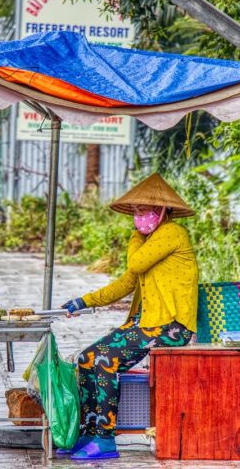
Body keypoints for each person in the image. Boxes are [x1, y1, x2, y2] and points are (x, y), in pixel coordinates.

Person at [59, 173, 199, 460]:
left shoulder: (172, 234)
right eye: (135, 210)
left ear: (164, 211)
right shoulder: (150, 241)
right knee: (87, 358)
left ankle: (106, 439)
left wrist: (136, 236)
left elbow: (134, 262)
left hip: (170, 326)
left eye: (145, 209)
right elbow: (126, 283)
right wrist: (83, 301)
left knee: (104, 360)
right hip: (147, 324)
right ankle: (89, 431)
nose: (138, 216)